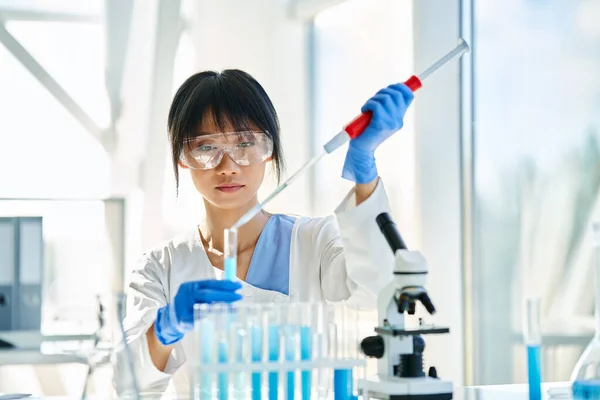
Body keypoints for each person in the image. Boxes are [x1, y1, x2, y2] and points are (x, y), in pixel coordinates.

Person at [120, 69, 414, 395]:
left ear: (270, 149)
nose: (227, 165)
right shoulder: (160, 268)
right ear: (182, 158)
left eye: (246, 143)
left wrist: (365, 167)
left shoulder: (313, 241)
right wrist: (165, 327)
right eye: (206, 147)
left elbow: (377, 290)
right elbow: (129, 384)